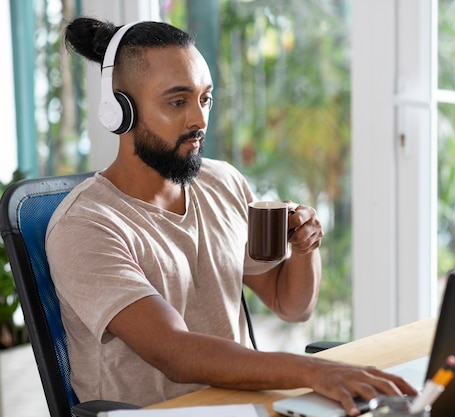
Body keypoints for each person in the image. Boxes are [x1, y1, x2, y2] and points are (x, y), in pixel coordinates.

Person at [46, 17, 416, 416]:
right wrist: (313, 371)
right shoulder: (86, 225)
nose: (200, 121)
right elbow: (175, 352)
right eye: (177, 101)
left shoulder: (221, 182)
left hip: (242, 404)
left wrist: (306, 247)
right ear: (119, 111)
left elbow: (290, 305)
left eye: (205, 99)